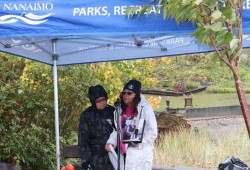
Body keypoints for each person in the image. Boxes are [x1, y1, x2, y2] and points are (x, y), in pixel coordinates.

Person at [105, 79, 158, 170]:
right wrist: (111, 142)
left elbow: (153, 132)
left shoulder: (145, 108)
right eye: (124, 93)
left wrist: (139, 141)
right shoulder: (119, 110)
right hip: (123, 156)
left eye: (129, 93)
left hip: (141, 156)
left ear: (136, 95)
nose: (125, 95)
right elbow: (118, 130)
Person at [78, 85, 115, 170]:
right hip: (94, 159)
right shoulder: (87, 115)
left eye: (103, 99)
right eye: (98, 101)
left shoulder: (113, 112)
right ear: (93, 101)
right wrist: (85, 160)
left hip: (112, 157)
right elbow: (82, 140)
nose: (102, 102)